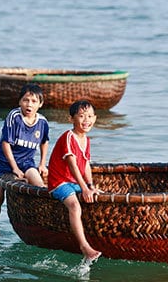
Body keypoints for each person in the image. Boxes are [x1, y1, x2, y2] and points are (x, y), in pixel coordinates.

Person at [0, 83, 49, 236]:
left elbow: (44, 141)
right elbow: (5, 143)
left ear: (40, 104)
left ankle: (38, 223)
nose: (29, 104)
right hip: (4, 163)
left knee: (40, 187)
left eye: (34, 101)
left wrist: (42, 163)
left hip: (27, 163)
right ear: (19, 101)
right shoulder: (14, 117)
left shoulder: (42, 122)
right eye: (26, 100)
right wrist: (14, 168)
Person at [47, 100, 102, 263]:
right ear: (71, 119)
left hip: (73, 182)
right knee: (74, 205)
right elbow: (72, 166)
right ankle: (84, 247)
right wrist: (84, 189)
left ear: (95, 118)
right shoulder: (68, 137)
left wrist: (91, 186)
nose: (86, 120)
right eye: (82, 116)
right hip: (59, 182)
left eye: (90, 116)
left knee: (98, 196)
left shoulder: (86, 140)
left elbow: (85, 166)